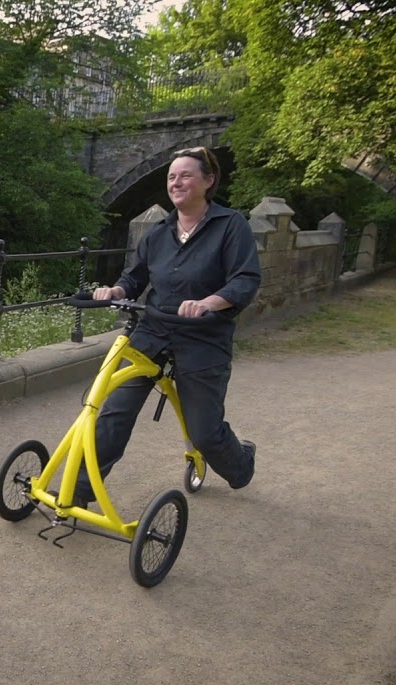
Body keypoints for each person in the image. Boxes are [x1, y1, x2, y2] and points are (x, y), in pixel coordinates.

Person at [78, 146, 261, 503]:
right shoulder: (158, 232)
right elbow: (135, 277)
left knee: (204, 432)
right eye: (171, 176)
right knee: (113, 412)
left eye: (185, 175)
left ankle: (241, 465)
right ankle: (79, 490)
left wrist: (209, 302)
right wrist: (116, 290)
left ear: (208, 181)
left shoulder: (230, 225)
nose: (176, 182)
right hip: (153, 331)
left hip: (203, 337)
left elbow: (245, 279)